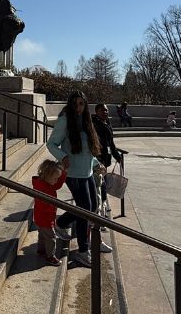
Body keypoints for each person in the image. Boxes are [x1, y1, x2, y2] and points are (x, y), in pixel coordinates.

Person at [47, 90, 113, 268]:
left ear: (85, 105)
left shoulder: (87, 122)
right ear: (70, 105)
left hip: (87, 172)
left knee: (91, 207)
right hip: (73, 173)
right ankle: (83, 250)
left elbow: (87, 151)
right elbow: (51, 143)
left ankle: (61, 222)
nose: (78, 107)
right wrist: (62, 156)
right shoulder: (65, 121)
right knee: (85, 210)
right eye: (75, 104)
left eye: (81, 104)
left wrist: (95, 164)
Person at [32, 159, 71, 266]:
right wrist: (54, 205)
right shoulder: (42, 187)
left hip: (42, 217)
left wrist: (63, 173)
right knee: (51, 237)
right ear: (47, 176)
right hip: (45, 217)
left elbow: (57, 185)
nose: (56, 180)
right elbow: (43, 205)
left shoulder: (45, 182)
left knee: (42, 235)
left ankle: (41, 250)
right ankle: (50, 256)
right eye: (55, 178)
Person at [91, 104, 122, 217]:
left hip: (105, 157)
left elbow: (111, 142)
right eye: (102, 110)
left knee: (102, 183)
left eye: (106, 110)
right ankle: (100, 210)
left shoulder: (107, 123)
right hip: (97, 158)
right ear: (97, 111)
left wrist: (117, 156)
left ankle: (101, 207)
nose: (105, 112)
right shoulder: (94, 124)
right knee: (101, 184)